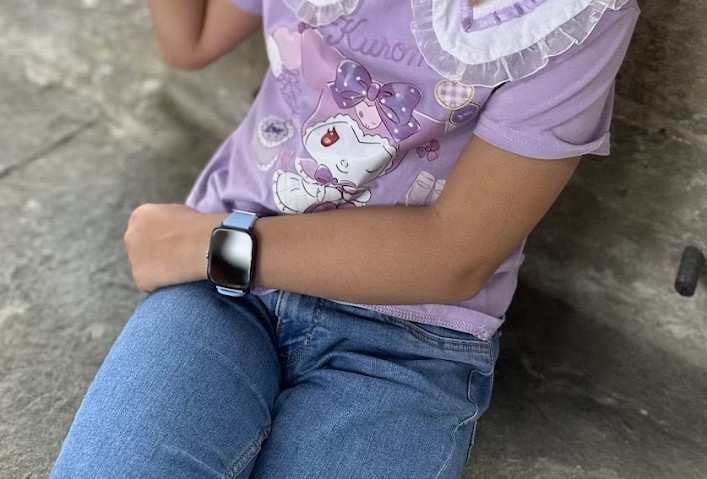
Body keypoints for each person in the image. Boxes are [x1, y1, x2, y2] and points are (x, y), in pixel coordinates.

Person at [50, 0, 640, 478]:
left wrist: (209, 244)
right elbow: (192, 39)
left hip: (404, 336)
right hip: (226, 294)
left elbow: (454, 254)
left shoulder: (574, 17)